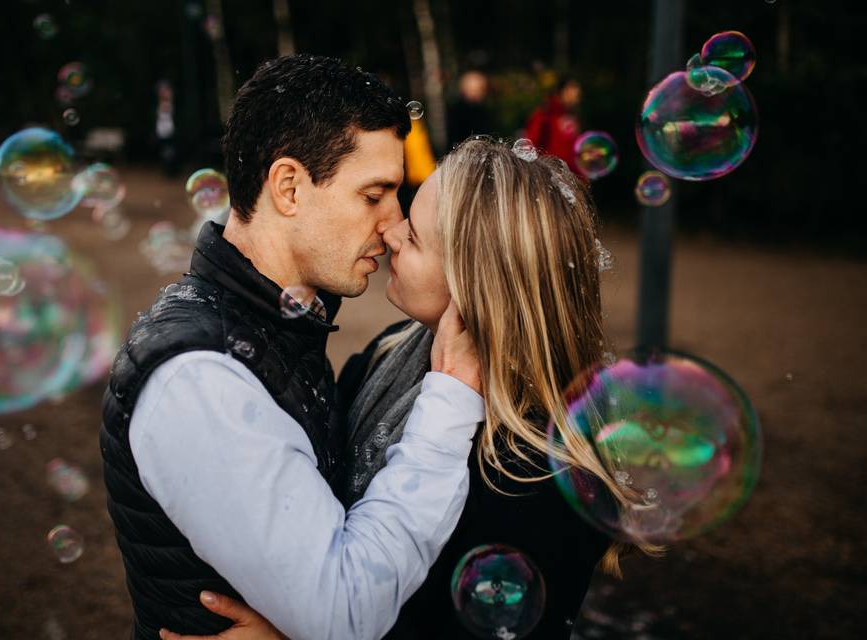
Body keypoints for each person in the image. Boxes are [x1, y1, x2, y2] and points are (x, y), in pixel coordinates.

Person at [170, 139, 663, 639]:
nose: (392, 231)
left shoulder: (538, 477)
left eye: (418, 237)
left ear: (477, 284)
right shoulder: (388, 353)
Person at [100, 54, 487, 640]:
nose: (392, 222)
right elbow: (347, 613)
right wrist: (453, 400)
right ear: (288, 187)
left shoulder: (276, 328)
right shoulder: (202, 378)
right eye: (373, 194)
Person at [525, 76, 583, 177]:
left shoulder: (573, 116)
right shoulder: (545, 114)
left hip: (572, 177)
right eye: (572, 88)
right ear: (562, 91)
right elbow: (531, 145)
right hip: (550, 176)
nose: (577, 92)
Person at [446, 70, 494, 149]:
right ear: (464, 89)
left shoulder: (484, 111)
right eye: (474, 90)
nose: (477, 94)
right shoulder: (458, 112)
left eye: (481, 90)